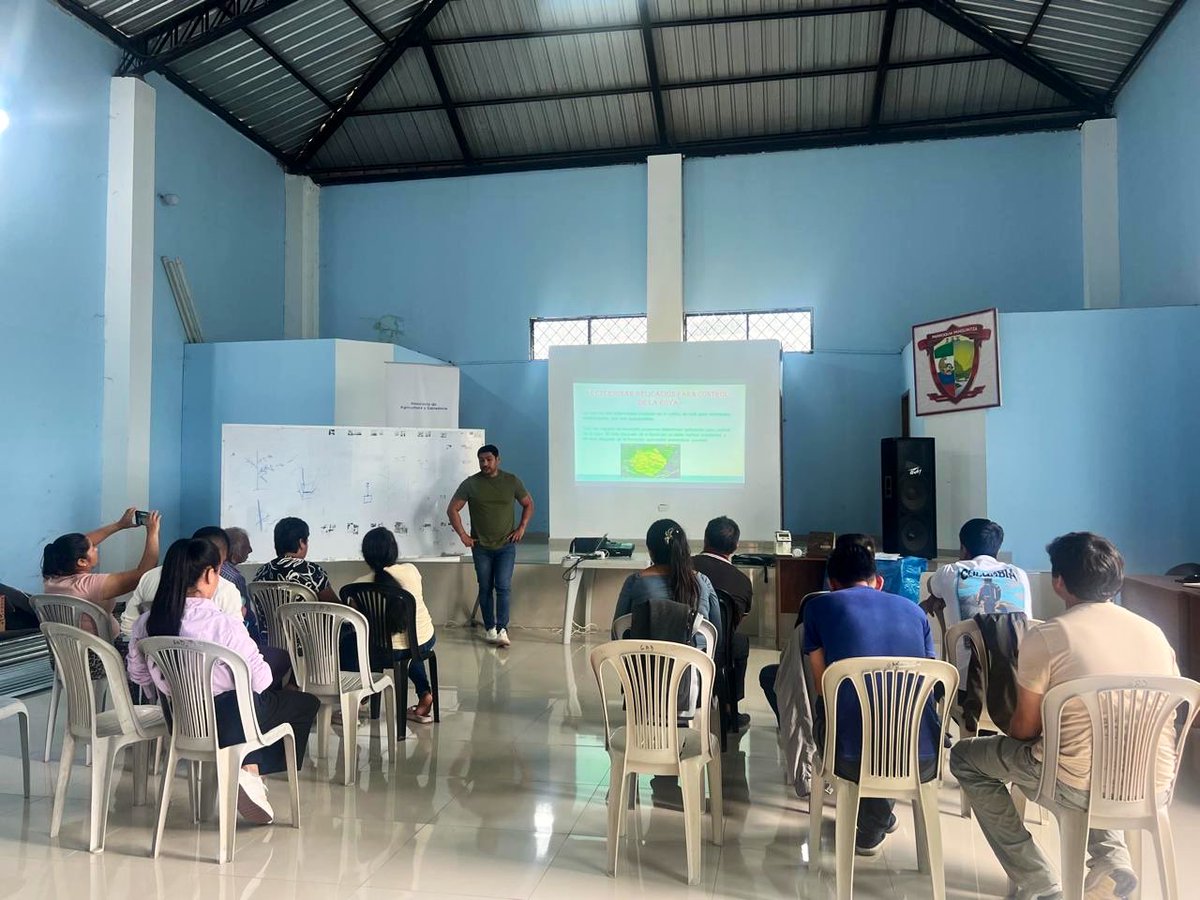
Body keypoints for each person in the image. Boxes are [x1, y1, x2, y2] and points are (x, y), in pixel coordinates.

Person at [950, 533, 1179, 900]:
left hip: (1074, 780)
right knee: (1072, 760)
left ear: (1058, 582)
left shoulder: (1049, 635)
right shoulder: (1154, 634)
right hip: (1153, 780)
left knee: (970, 759)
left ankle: (1041, 882)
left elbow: (1024, 730)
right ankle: (1112, 861)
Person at [127, 538, 319, 824]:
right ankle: (250, 771)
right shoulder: (224, 625)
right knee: (304, 704)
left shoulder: (147, 623)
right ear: (207, 575)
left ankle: (249, 768)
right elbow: (262, 680)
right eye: (217, 572)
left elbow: (138, 675)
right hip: (230, 719)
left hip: (179, 720)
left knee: (256, 702)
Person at [804, 542, 938, 856]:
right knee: (890, 718)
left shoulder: (819, 607)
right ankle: (877, 817)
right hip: (922, 754)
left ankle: (873, 822)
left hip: (849, 757)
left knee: (841, 716)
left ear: (831, 583)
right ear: (877, 580)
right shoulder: (915, 611)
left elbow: (824, 685)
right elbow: (929, 678)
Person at [447, 444, 534, 648]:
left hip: (506, 546)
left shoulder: (511, 481)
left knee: (503, 587)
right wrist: (463, 535)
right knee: (485, 588)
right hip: (481, 547)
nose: (485, 463)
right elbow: (452, 509)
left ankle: (503, 629)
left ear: (497, 460)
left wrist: (521, 527)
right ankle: (490, 629)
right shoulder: (471, 484)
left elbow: (528, 503)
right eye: (481, 460)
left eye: (488, 459)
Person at [348, 527, 436, 724]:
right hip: (423, 640)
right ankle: (424, 693)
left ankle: (362, 696)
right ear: (394, 550)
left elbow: (356, 622)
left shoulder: (359, 584)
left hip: (384, 650)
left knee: (354, 643)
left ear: (366, 555)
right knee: (409, 650)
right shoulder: (411, 571)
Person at [42, 507, 161, 634]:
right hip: (99, 648)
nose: (96, 548)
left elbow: (79, 544)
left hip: (67, 643)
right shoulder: (89, 585)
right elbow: (143, 574)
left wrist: (119, 525)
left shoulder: (52, 576)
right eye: (92, 548)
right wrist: (153, 532)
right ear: (81, 562)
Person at [613, 519, 721, 646]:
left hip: (644, 662)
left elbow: (617, 633)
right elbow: (716, 633)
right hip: (694, 663)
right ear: (683, 548)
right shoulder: (702, 582)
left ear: (650, 551)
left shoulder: (635, 582)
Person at [120, 526, 243, 639]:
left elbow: (128, 625)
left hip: (153, 659)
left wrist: (153, 650)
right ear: (223, 558)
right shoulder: (227, 590)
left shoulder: (149, 577)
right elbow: (239, 644)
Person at [691, 515, 752, 731]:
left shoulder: (682, 567)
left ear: (705, 539)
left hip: (679, 642)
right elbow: (737, 620)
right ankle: (729, 710)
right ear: (735, 546)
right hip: (719, 649)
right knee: (739, 641)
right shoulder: (742, 581)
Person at [926, 518, 1032, 630]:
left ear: (963, 549)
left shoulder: (950, 572)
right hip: (1021, 646)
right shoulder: (1019, 574)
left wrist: (940, 596)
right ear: (998, 550)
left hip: (968, 646)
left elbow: (930, 586)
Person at [253, 517, 338, 606]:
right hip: (305, 620)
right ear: (301, 542)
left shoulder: (262, 572)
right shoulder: (311, 571)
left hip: (270, 620)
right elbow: (336, 607)